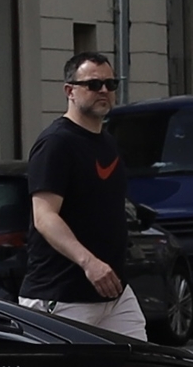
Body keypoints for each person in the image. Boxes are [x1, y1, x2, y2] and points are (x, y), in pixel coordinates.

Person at [15, 52, 147, 342]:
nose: (104, 91)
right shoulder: (56, 143)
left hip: (114, 295)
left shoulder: (107, 142)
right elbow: (44, 216)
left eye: (110, 84)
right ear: (69, 91)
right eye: (93, 84)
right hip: (62, 296)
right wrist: (90, 263)